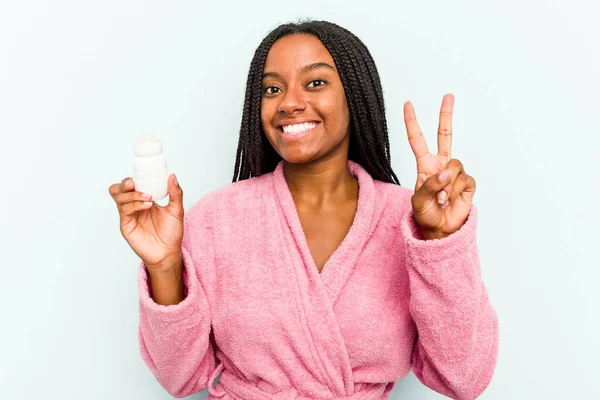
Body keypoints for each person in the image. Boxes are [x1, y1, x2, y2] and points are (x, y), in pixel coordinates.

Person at [109, 20, 498, 400]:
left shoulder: (407, 220)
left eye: (315, 82)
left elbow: (465, 377)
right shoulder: (216, 218)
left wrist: (439, 242)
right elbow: (180, 378)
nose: (290, 103)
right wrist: (163, 266)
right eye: (273, 88)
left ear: (355, 95)